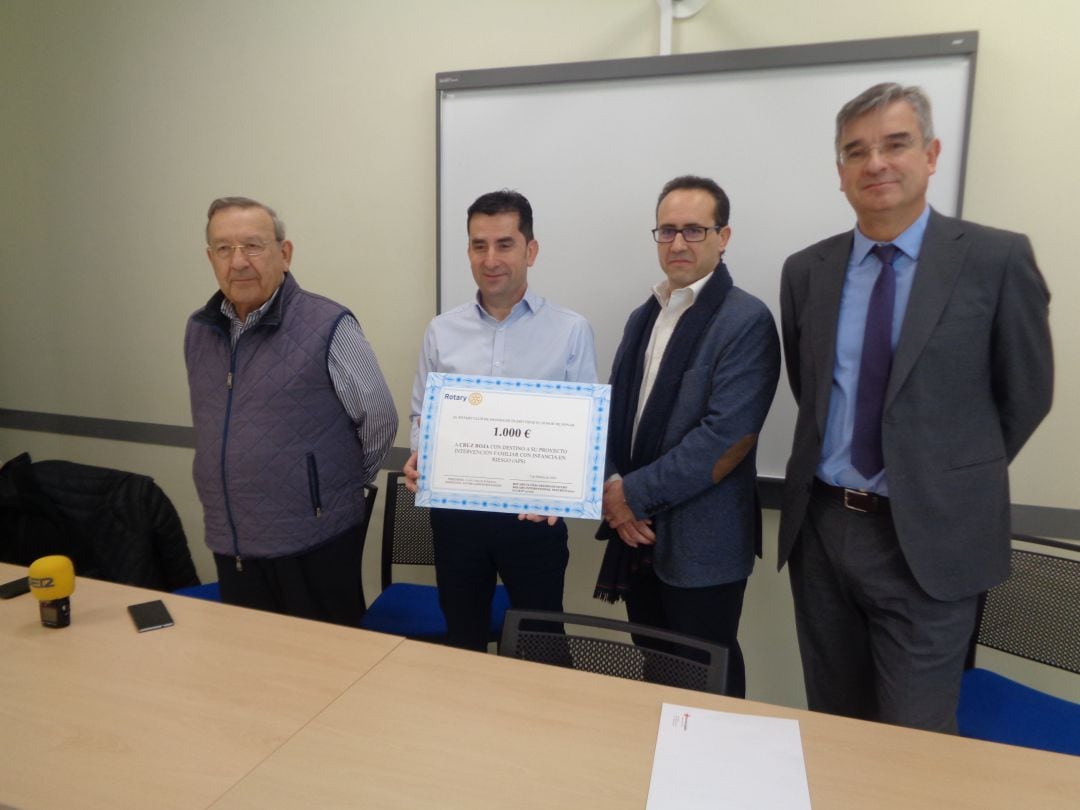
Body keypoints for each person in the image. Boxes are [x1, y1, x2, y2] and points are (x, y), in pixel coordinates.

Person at [778, 83, 1053, 731]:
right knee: (836, 725)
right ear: (840, 173)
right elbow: (810, 389)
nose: (876, 163)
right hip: (823, 533)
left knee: (916, 741)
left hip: (931, 539)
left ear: (930, 154)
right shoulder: (806, 272)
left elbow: (1026, 395)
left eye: (895, 144)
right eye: (857, 151)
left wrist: (942, 474)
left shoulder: (994, 259)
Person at [594, 175, 781, 698]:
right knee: (656, 674)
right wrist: (614, 486)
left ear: (723, 237)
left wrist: (629, 494)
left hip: (704, 544)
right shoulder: (643, 317)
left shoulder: (747, 320)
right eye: (667, 230)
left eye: (694, 230)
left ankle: (720, 775)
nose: (678, 243)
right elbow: (613, 414)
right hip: (637, 533)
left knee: (708, 676)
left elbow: (726, 437)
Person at [186, 196, 397, 625]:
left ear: (284, 254)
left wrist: (333, 487)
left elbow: (379, 419)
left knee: (327, 672)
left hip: (314, 543)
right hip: (233, 542)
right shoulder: (198, 331)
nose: (238, 261)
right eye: (224, 249)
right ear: (210, 258)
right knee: (255, 672)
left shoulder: (328, 324)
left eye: (252, 246)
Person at [403, 189, 598, 651]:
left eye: (505, 244)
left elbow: (585, 432)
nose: (490, 259)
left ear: (530, 250)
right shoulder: (441, 330)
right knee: (463, 643)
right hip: (457, 522)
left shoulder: (571, 331)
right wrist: (420, 455)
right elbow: (420, 414)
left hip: (533, 523)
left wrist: (566, 488)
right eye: (478, 245)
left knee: (539, 645)